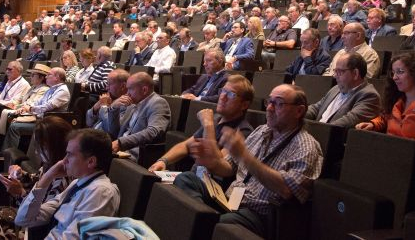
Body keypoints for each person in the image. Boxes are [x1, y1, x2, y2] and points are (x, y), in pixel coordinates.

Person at [173, 84, 323, 237]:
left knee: (223, 223)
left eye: (279, 103)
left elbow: (286, 190)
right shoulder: (260, 131)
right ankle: (203, 221)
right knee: (186, 179)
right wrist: (211, 162)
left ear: (299, 111)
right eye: (269, 102)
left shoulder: (306, 147)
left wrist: (244, 156)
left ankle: (202, 225)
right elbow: (228, 168)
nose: (270, 108)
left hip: (260, 214)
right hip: (229, 200)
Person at [0, 117, 72, 239]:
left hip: (31, 231)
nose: (36, 152)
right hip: (23, 217)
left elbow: (39, 217)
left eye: (41, 147)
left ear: (54, 146)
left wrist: (21, 193)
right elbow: (37, 180)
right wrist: (21, 174)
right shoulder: (50, 165)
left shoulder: (63, 178)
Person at [15, 129, 120, 239]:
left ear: (91, 162)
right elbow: (23, 219)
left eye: (69, 154)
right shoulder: (77, 184)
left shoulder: (100, 192)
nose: (63, 161)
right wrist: (47, 177)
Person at [149, 75, 255, 172]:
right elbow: (186, 145)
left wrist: (208, 126)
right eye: (223, 91)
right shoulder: (216, 119)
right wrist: (163, 161)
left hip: (209, 187)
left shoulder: (243, 131)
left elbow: (218, 164)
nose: (222, 97)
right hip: (192, 176)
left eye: (231, 94)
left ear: (244, 105)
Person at [356, 52, 415, 142]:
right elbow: (385, 118)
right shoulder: (397, 99)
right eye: (393, 73)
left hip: (407, 153)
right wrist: (373, 124)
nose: (394, 77)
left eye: (400, 72)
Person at [1, 67, 70, 151]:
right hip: (41, 120)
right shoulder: (51, 89)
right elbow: (38, 102)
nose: (46, 77)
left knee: (15, 126)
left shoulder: (63, 91)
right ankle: (7, 153)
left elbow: (47, 106)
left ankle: (10, 154)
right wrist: (25, 108)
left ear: (57, 77)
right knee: (12, 120)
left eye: (49, 75)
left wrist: (30, 108)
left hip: (50, 124)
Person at [306, 53, 381, 127]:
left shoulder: (369, 96)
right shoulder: (336, 88)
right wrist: (297, 113)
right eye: (335, 71)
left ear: (355, 74)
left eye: (339, 72)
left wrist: (316, 130)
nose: (335, 76)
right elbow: (316, 108)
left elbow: (347, 122)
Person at [109, 72, 171, 161]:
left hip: (136, 153)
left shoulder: (158, 103)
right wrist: (114, 108)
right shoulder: (132, 103)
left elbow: (153, 131)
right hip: (119, 148)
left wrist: (121, 143)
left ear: (144, 90)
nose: (127, 94)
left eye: (130, 89)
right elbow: (114, 131)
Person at [85, 69, 131, 133]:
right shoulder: (109, 98)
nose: (106, 88)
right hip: (92, 133)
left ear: (123, 86)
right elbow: (88, 122)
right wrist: (95, 107)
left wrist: (104, 107)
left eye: (109, 84)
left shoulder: (126, 103)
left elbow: (111, 129)